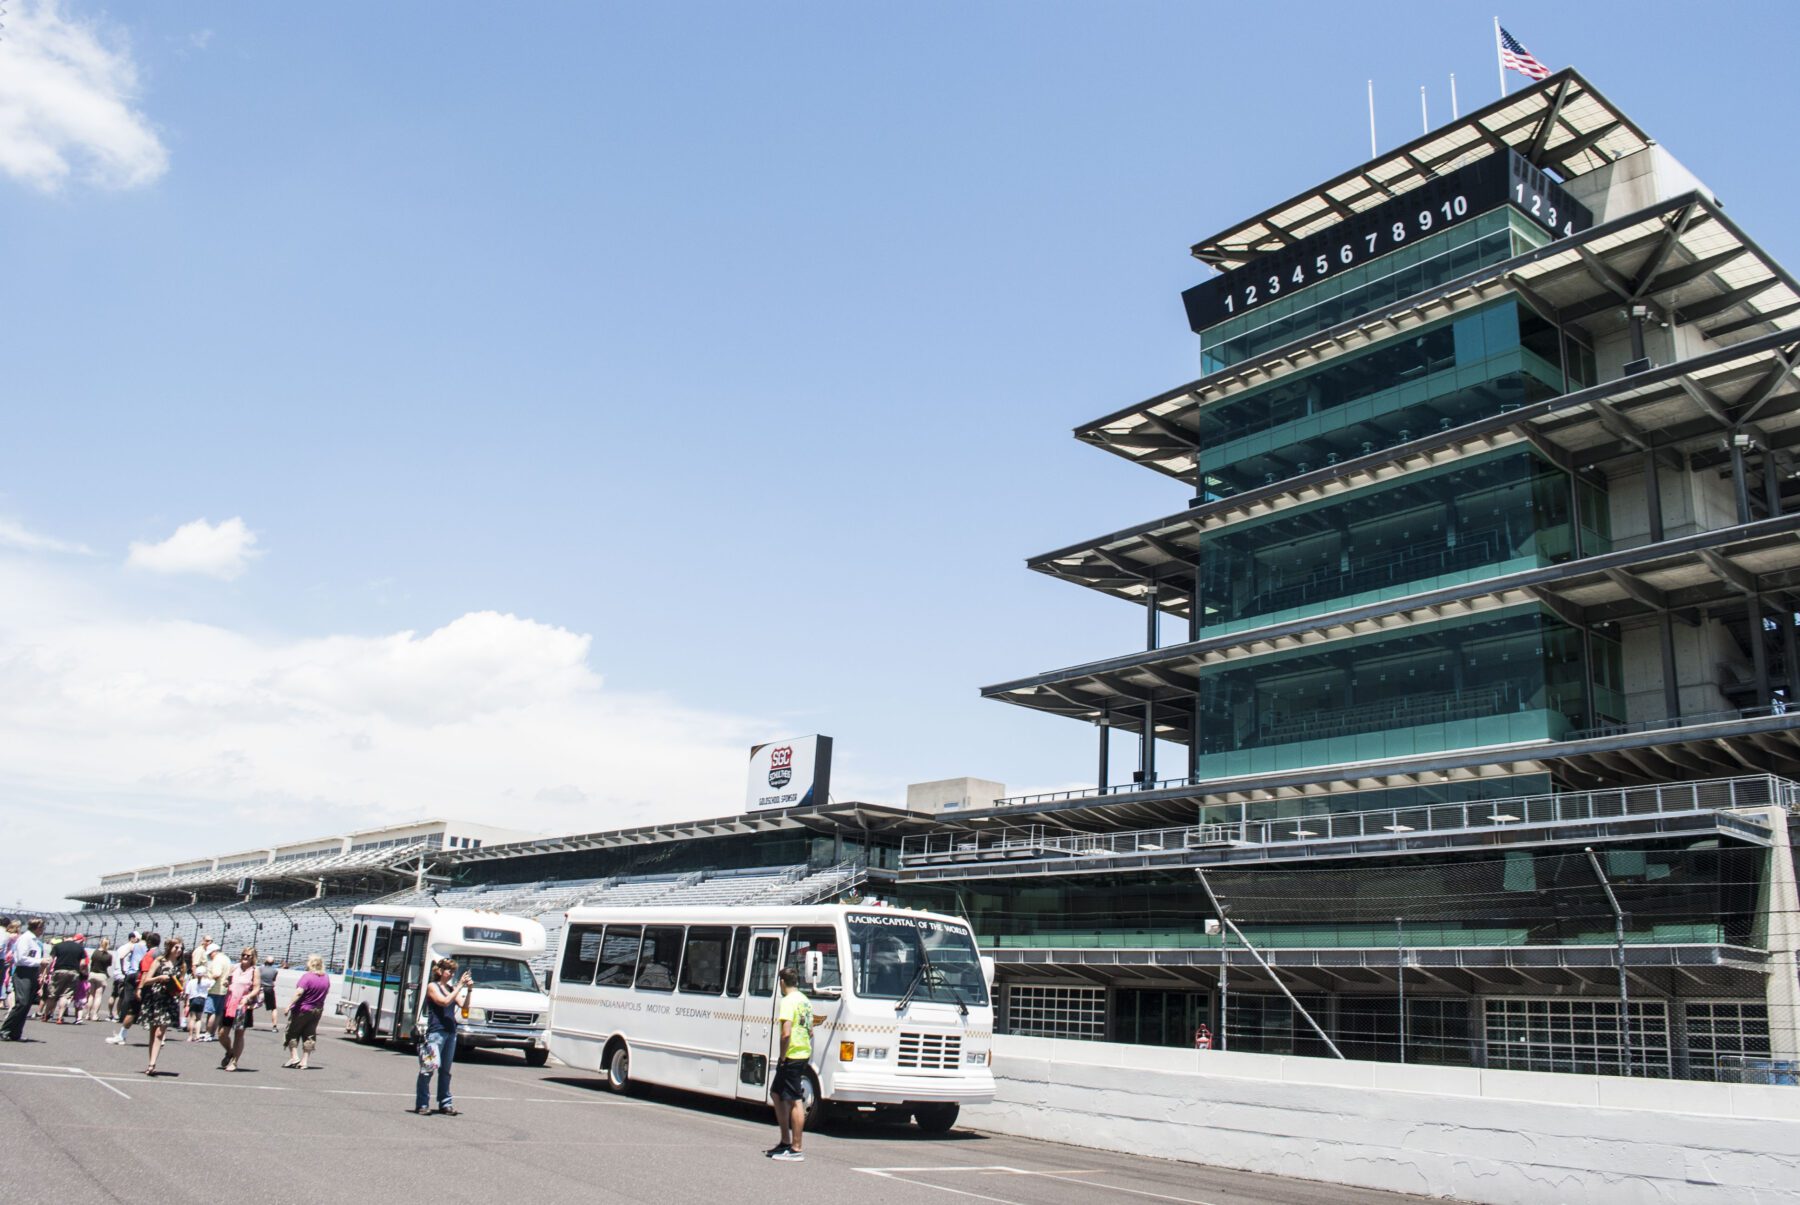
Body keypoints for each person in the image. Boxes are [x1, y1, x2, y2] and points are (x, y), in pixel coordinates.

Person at [766, 967, 813, 1162]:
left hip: (792, 1055)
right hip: (803, 1052)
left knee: (795, 1100)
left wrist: (782, 1056)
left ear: (782, 983)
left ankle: (796, 1148)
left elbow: (785, 1033)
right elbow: (810, 1030)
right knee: (776, 1093)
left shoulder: (787, 1001)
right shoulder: (805, 1000)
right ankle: (785, 1141)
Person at [415, 957, 471, 1116]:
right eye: (449, 970)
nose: (451, 973)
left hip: (451, 1031)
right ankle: (422, 1103)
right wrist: (459, 986)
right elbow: (444, 1002)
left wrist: (469, 990)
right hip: (436, 1032)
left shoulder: (451, 988)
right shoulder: (432, 987)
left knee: (446, 1070)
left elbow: (464, 1007)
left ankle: (445, 1103)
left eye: (453, 971)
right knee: (429, 1068)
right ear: (439, 971)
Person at [138, 935, 184, 1076]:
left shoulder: (181, 965)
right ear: (170, 948)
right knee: (153, 1032)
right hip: (156, 997)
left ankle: (152, 1064)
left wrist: (180, 991)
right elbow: (146, 980)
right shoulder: (159, 961)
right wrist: (159, 978)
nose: (179, 950)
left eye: (181, 948)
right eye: (176, 947)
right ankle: (150, 1063)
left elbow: (181, 983)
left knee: (160, 1033)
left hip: (169, 1000)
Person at [0, 919, 45, 1041]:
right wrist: (39, 961)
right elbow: (20, 959)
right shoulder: (26, 939)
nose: (42, 931)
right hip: (23, 972)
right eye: (41, 928)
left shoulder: (35, 940)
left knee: (26, 1005)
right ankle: (5, 1030)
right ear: (37, 927)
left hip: (32, 972)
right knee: (22, 1002)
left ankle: (15, 1033)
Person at [217, 947, 260, 1072]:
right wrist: (226, 982)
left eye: (248, 956)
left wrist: (248, 997)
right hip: (229, 1003)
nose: (245, 957)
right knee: (221, 1034)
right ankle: (230, 1051)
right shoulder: (234, 967)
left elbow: (257, 988)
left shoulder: (254, 971)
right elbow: (227, 980)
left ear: (253, 958)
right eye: (243, 955)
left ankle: (234, 1061)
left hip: (243, 1006)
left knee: (239, 1034)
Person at [283, 954, 330, 1070]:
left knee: (292, 1032)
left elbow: (299, 992)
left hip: (302, 1009)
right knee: (309, 1034)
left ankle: (294, 1057)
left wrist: (289, 1005)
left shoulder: (307, 977)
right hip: (317, 1009)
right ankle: (304, 1061)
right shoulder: (326, 978)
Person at [107, 933, 150, 1046]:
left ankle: (122, 1016)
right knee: (141, 1000)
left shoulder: (134, 946)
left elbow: (121, 956)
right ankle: (139, 1019)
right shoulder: (149, 949)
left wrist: (123, 969)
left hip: (131, 973)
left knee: (127, 999)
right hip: (142, 974)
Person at [204, 943, 232, 1040]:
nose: (209, 956)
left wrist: (207, 977)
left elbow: (217, 974)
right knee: (218, 1013)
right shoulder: (226, 958)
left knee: (211, 1012)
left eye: (210, 954)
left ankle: (208, 1032)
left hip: (214, 989)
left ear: (214, 952)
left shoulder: (217, 960)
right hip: (223, 990)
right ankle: (212, 1033)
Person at [84, 938, 113, 1022]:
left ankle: (87, 1014)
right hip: (102, 975)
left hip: (92, 974)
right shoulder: (108, 955)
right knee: (98, 996)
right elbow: (108, 965)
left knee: (91, 995)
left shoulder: (95, 952)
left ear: (100, 943)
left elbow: (92, 963)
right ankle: (95, 1015)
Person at [261, 957, 280, 1031]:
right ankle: (274, 1026)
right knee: (273, 1008)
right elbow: (273, 979)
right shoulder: (275, 971)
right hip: (269, 989)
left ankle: (244, 1022)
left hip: (260, 988)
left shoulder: (260, 969)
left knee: (250, 1005)